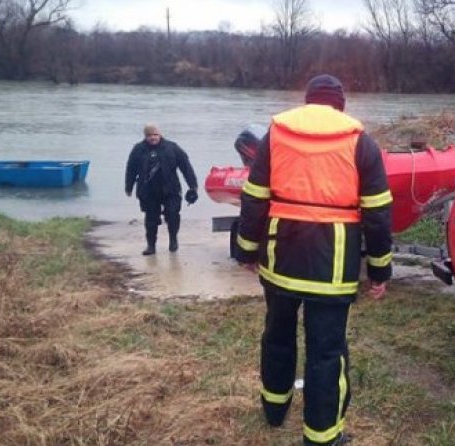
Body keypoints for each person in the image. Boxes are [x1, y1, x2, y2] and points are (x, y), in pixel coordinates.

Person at [233, 74, 393, 445]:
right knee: (326, 351)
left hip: (280, 256)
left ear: (307, 102)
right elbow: (379, 212)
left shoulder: (277, 134)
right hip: (332, 265)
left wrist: (246, 249)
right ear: (341, 105)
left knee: (277, 335)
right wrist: (380, 269)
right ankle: (322, 437)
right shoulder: (359, 141)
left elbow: (254, 196)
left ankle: (274, 410)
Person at [125, 124, 198, 255]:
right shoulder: (138, 149)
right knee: (151, 219)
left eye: (155, 135)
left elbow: (186, 167)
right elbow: (131, 169)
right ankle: (151, 246)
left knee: (173, 214)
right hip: (148, 191)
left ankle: (173, 240)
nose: (153, 138)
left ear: (160, 135)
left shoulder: (172, 147)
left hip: (171, 189)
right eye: (149, 135)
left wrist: (193, 186)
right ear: (145, 136)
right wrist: (128, 187)